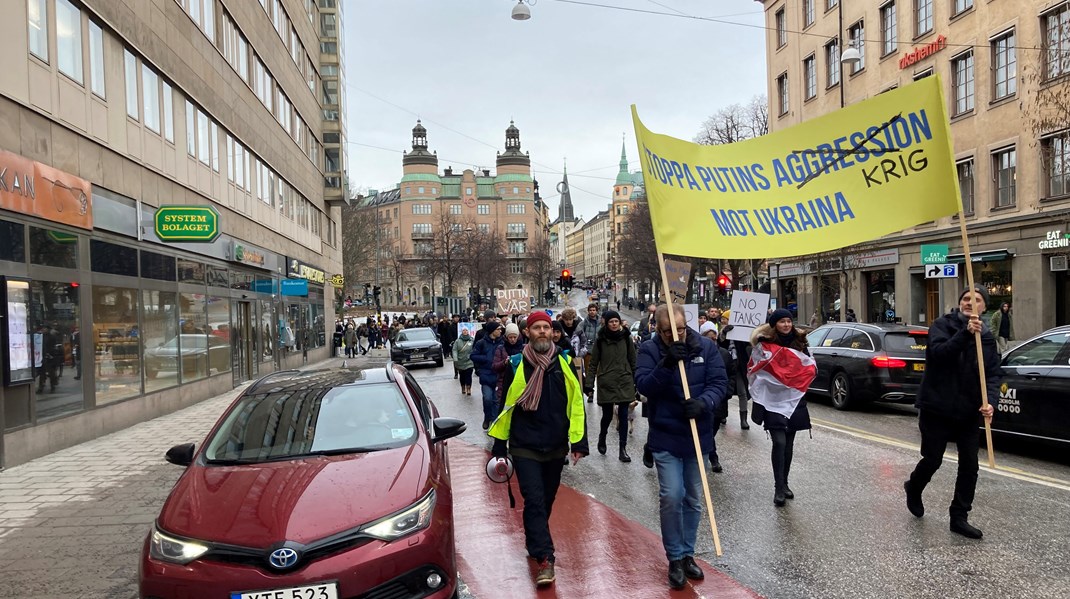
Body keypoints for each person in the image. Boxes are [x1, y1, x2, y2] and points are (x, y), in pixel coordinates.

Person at [489, 311, 588, 588]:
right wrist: (500, 444)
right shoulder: (516, 364)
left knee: (545, 500)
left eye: (546, 327)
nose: (543, 332)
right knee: (533, 500)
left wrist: (579, 442)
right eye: (537, 328)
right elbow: (506, 406)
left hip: (555, 445)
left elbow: (576, 405)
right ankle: (546, 559)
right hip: (525, 445)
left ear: (552, 332)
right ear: (527, 333)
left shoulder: (564, 362)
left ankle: (534, 540)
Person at [635, 304, 727, 590]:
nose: (675, 337)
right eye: (667, 332)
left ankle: (688, 553)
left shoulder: (705, 349)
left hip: (697, 434)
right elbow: (644, 387)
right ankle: (674, 557)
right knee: (672, 495)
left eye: (681, 330)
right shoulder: (650, 351)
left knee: (693, 498)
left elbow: (719, 383)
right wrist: (665, 365)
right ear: (658, 329)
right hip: (665, 434)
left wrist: (705, 403)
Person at [905, 286, 1001, 539]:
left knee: (970, 466)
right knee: (933, 459)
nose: (970, 302)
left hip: (968, 411)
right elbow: (938, 355)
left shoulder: (988, 337)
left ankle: (959, 516)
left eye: (977, 300)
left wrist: (991, 401)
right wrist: (965, 334)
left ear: (984, 307)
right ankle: (914, 487)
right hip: (937, 406)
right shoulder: (942, 325)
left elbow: (991, 374)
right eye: (966, 298)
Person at [748, 309, 816, 507]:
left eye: (788, 321)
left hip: (794, 399)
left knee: (789, 443)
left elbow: (809, 365)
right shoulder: (765, 345)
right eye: (782, 322)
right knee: (779, 442)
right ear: (774, 325)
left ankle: (785, 482)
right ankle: (778, 487)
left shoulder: (801, 343)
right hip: (772, 400)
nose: (786, 325)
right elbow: (755, 367)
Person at [584, 310, 638, 463]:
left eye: (616, 321)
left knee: (623, 416)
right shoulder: (600, 340)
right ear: (606, 324)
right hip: (606, 381)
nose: (614, 324)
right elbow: (593, 363)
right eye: (611, 322)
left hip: (624, 380)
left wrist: (637, 380)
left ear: (620, 322)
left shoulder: (627, 338)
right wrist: (589, 384)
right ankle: (602, 436)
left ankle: (623, 449)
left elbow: (633, 361)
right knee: (607, 416)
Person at [700, 322, 731, 472]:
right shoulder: (698, 353)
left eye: (714, 338)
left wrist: (728, 392)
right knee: (707, 429)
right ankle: (713, 457)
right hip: (704, 399)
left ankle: (708, 452)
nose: (712, 341)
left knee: (713, 429)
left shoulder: (724, 353)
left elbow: (731, 374)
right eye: (709, 338)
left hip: (720, 399)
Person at [471, 322, 504, 430]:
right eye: (498, 329)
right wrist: (486, 359)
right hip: (486, 376)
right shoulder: (481, 343)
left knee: (496, 401)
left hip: (499, 376)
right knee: (487, 398)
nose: (500, 331)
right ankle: (487, 417)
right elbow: (473, 355)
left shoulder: (502, 342)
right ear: (492, 331)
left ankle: (494, 423)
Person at [493, 323, 527, 409]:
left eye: (514, 337)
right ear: (506, 337)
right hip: (504, 383)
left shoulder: (525, 348)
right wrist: (504, 362)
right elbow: (494, 366)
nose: (512, 340)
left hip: (520, 382)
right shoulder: (501, 348)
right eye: (510, 337)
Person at [452, 327, 475, 395]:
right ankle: (463, 386)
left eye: (466, 330)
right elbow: (454, 350)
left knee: (468, 374)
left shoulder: (471, 340)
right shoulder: (458, 341)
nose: (465, 331)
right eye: (463, 330)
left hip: (469, 361)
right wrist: (455, 358)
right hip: (460, 361)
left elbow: (475, 349)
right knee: (462, 376)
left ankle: (468, 388)